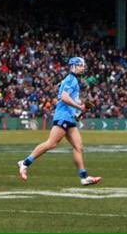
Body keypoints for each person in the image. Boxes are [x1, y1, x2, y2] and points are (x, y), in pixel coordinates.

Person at [18, 57, 101, 185]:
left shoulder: (74, 80)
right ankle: (24, 163)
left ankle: (84, 177)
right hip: (63, 116)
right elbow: (64, 98)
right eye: (80, 65)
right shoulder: (71, 79)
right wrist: (80, 107)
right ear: (73, 66)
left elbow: (69, 99)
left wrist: (77, 113)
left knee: (78, 147)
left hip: (69, 117)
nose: (83, 68)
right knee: (51, 143)